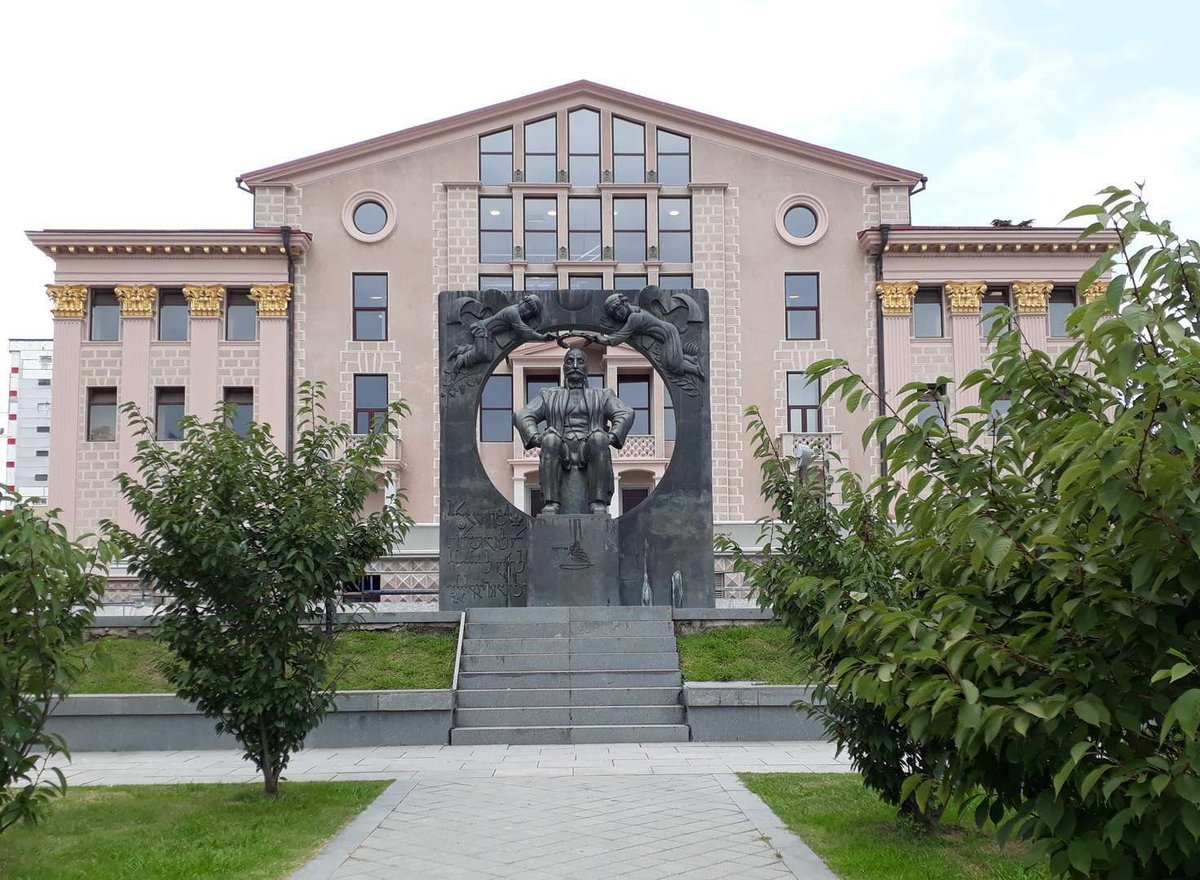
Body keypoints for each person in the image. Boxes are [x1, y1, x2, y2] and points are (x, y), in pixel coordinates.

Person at [514, 348, 634, 515]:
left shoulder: (602, 395)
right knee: (550, 440)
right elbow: (522, 415)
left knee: (599, 438)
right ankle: (551, 503)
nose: (575, 365)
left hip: (589, 446)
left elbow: (625, 412)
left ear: (587, 369)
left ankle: (597, 502)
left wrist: (611, 436)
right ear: (564, 368)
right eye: (570, 361)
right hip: (561, 448)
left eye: (580, 362)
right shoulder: (548, 395)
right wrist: (536, 437)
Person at [596, 293, 705, 382]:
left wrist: (604, 341)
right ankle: (691, 359)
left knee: (670, 365)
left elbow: (622, 335)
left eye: (619, 310)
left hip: (669, 334)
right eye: (615, 315)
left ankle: (695, 369)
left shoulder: (634, 317)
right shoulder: (635, 313)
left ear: (625, 304)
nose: (618, 315)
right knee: (671, 358)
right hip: (667, 334)